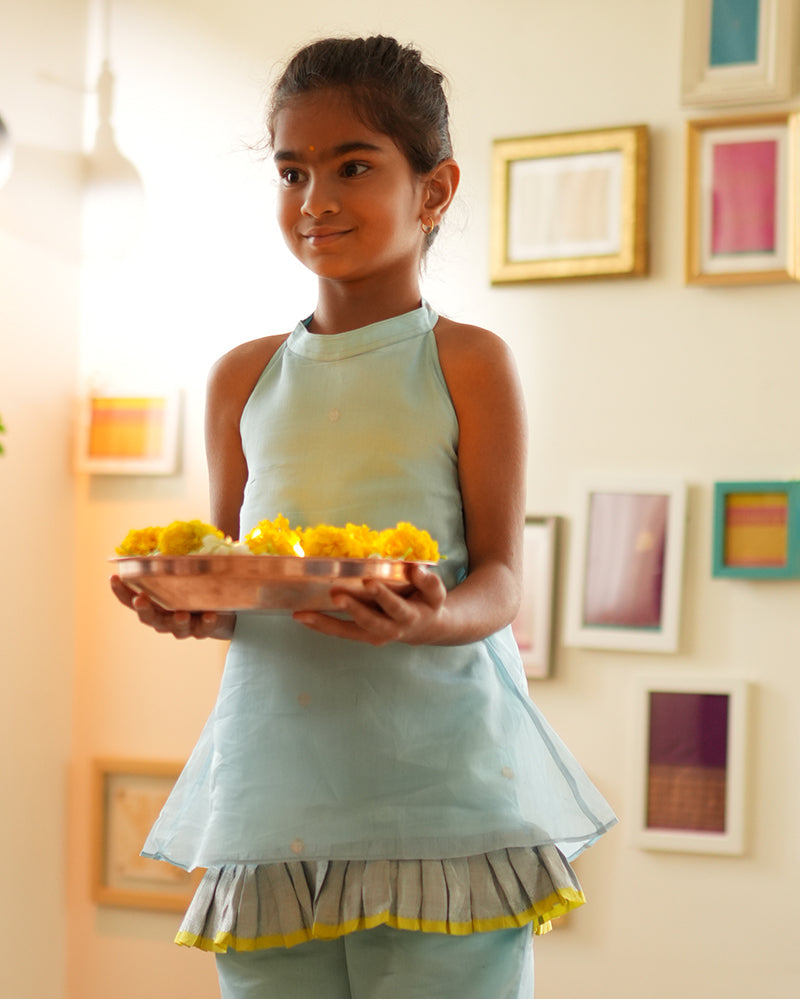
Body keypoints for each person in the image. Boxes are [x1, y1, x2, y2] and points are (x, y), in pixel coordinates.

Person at [111, 34, 617, 999]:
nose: (316, 202)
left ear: (435, 190)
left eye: (353, 166)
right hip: (271, 799)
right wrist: (182, 603)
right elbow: (234, 582)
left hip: (443, 796)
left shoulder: (471, 362)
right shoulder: (240, 378)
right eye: (293, 171)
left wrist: (428, 618)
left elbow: (501, 578)